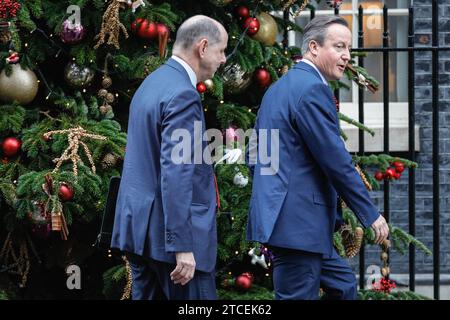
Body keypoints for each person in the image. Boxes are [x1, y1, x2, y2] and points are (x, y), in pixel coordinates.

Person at [246, 15, 389, 300]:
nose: (347, 56)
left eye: (348, 48)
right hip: (298, 227)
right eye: (339, 47)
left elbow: (255, 156)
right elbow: (334, 159)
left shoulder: (278, 89)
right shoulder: (311, 89)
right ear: (313, 47)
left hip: (298, 226)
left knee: (344, 287)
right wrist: (370, 214)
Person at [111, 15, 228, 300]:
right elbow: (177, 173)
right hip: (172, 246)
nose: (223, 59)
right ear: (202, 47)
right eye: (221, 50)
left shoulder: (152, 83)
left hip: (139, 235)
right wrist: (182, 246)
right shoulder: (183, 95)